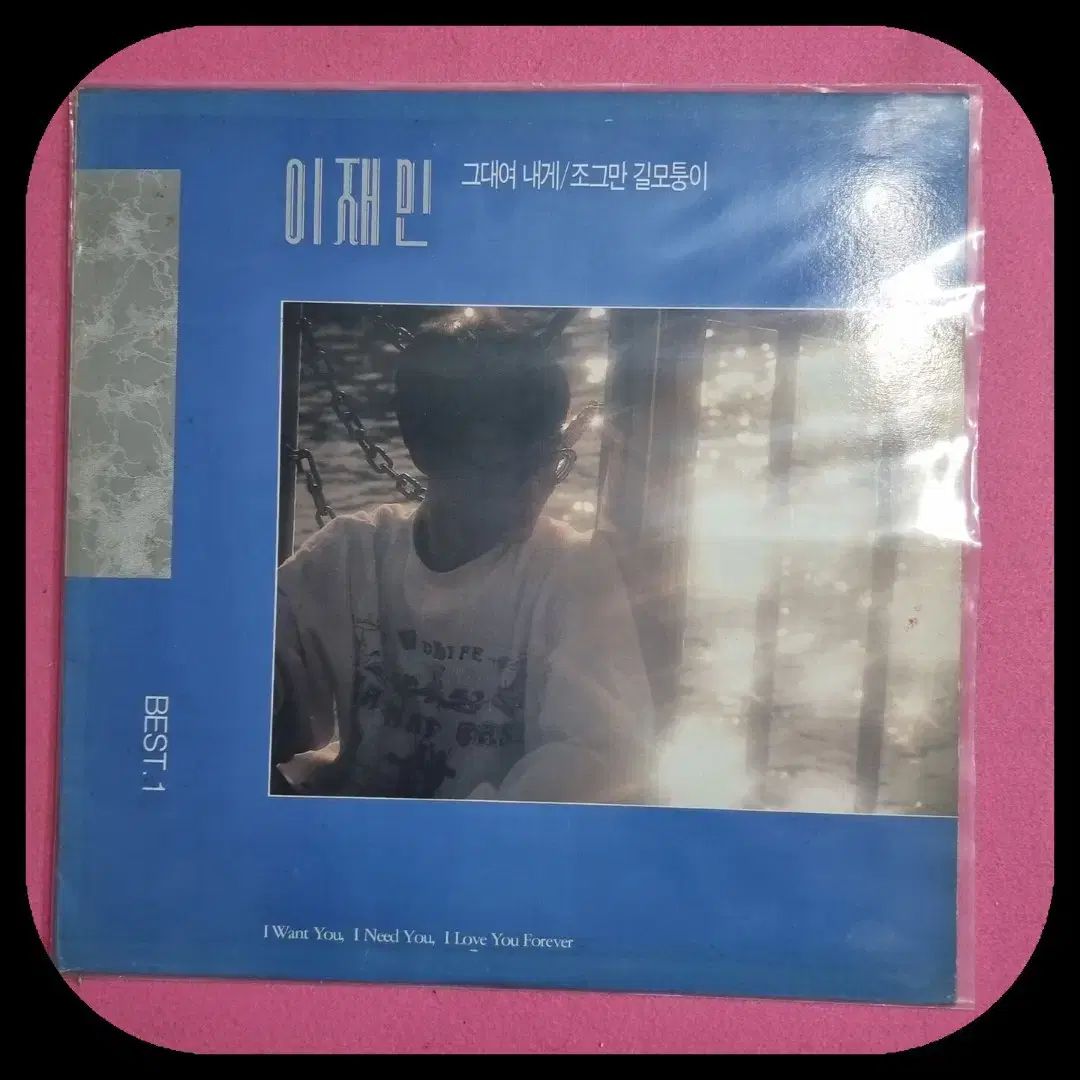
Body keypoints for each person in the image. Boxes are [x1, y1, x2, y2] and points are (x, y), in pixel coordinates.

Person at [272, 324, 655, 804]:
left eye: (548, 461)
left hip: (492, 843)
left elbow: (601, 756)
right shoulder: (350, 555)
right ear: (424, 452)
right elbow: (246, 680)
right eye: (502, 468)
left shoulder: (573, 575)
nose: (533, 488)